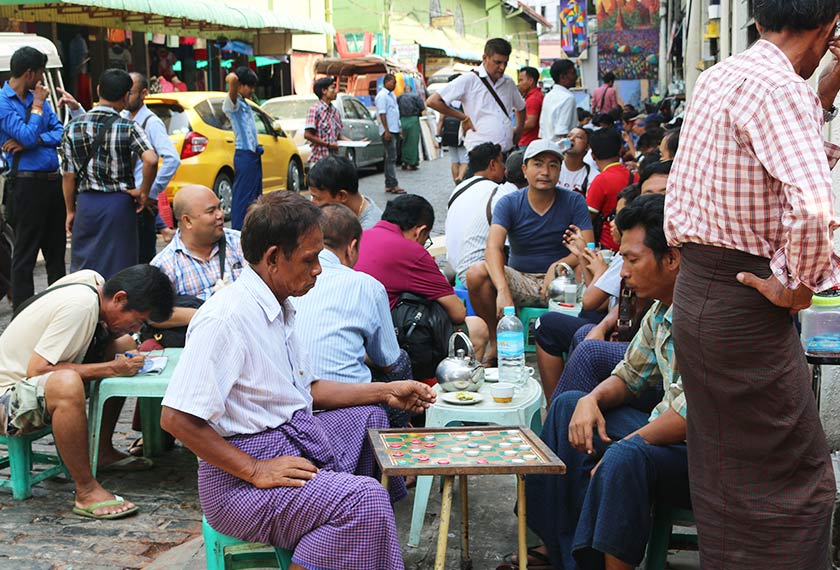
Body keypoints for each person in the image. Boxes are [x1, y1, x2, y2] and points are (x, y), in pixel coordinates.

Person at [160, 191, 435, 570]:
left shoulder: (282, 307)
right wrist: (255, 470)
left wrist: (386, 391)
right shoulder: (225, 318)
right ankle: (343, 522)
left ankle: (338, 538)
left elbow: (307, 392)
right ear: (273, 258)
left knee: (370, 418)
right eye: (309, 260)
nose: (319, 269)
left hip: (290, 442)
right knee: (364, 499)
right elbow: (176, 418)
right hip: (237, 487)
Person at [664, 2, 840, 567]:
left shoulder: (723, 75)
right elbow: (814, 211)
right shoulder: (779, 90)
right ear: (828, 27)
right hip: (743, 299)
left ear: (759, 19)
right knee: (798, 484)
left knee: (730, 475)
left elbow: (775, 143)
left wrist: (829, 79)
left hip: (700, 293)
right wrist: (797, 285)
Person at [521, 193, 686, 570]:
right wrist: (591, 399)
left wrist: (622, 446)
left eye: (631, 259)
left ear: (672, 258)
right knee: (568, 406)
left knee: (624, 456)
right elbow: (630, 375)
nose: (623, 271)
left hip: (703, 454)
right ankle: (560, 552)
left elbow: (688, 416)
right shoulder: (660, 312)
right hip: (665, 433)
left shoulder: (701, 315)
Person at [0, 265, 174, 519]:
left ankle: (102, 450)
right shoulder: (81, 305)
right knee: (67, 384)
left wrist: (115, 365)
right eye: (137, 320)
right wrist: (111, 369)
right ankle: (86, 490)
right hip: (7, 397)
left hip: (27, 385)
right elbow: (38, 371)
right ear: (119, 298)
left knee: (123, 346)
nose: (136, 329)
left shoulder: (93, 282)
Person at [466, 139, 593, 365]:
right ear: (524, 170)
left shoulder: (574, 201)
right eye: (538, 164)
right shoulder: (509, 203)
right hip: (521, 278)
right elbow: (493, 247)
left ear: (560, 170)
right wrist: (503, 291)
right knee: (476, 274)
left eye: (553, 165)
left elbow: (587, 248)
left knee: (591, 272)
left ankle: (577, 347)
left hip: (565, 280)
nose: (545, 172)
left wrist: (558, 266)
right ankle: (497, 342)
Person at [355, 194, 489, 360]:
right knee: (477, 328)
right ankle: (461, 383)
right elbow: (458, 313)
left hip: (352, 339)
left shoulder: (360, 237)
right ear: (419, 231)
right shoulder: (410, 251)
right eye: (426, 239)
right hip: (379, 346)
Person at [293, 203, 411, 394]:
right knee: (400, 361)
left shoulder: (288, 279)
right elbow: (387, 362)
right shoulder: (366, 285)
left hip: (295, 392)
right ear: (352, 247)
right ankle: (400, 423)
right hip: (341, 399)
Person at [62, 69, 157, 279]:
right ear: (126, 96)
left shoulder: (72, 126)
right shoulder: (128, 126)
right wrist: (143, 193)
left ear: (98, 90)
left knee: (85, 269)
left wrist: (70, 210)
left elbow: (68, 175)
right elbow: (151, 160)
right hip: (119, 205)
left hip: (86, 205)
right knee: (121, 270)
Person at [0, 47, 66, 310]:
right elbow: (23, 136)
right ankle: (24, 314)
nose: (41, 79)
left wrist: (37, 139)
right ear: (29, 73)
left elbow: (58, 131)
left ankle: (60, 309)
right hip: (26, 184)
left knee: (56, 253)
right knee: (25, 255)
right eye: (39, 73)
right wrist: (37, 108)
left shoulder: (37, 99)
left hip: (52, 181)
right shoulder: (4, 102)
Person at [427, 38, 526, 154]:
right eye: (498, 62)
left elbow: (521, 107)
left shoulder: (508, 82)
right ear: (485, 58)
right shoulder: (469, 79)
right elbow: (433, 101)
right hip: (480, 155)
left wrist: (519, 130)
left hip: (505, 153)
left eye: (505, 63)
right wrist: (463, 117)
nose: (502, 67)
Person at [151, 184, 245, 303]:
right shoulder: (165, 266)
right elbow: (155, 316)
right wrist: (204, 315)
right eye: (211, 211)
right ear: (188, 221)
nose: (220, 215)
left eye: (219, 207)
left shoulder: (240, 242)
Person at [124, 72, 180, 263]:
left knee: (143, 259)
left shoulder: (151, 122)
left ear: (143, 93)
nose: (126, 96)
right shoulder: (122, 117)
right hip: (123, 199)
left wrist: (150, 192)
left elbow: (172, 158)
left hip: (141, 201)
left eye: (131, 92)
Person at [455, 150, 526, 286]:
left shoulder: (501, 191)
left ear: (506, 173)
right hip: (477, 270)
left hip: (464, 263)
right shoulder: (509, 199)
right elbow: (510, 250)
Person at [445, 142, 506, 271]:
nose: (504, 167)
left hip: (453, 264)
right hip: (476, 269)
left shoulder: (458, 189)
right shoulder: (497, 191)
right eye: (501, 162)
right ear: (493, 164)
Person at [223, 67, 261, 230]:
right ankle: (239, 229)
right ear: (240, 85)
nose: (252, 90)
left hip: (253, 155)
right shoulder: (233, 104)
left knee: (255, 195)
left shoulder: (245, 104)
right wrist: (235, 77)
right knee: (243, 195)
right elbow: (231, 80)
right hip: (244, 155)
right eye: (249, 86)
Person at [586, 127, 634, 251]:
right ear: (620, 150)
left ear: (592, 155)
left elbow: (587, 218)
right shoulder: (635, 176)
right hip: (632, 244)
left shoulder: (600, 180)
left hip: (608, 246)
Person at [307, 154, 382, 229]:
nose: (313, 204)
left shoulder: (368, 230)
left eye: (318, 198)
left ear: (342, 196)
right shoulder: (344, 215)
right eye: (312, 197)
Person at [303, 76, 347, 165]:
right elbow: (307, 135)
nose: (336, 91)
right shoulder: (315, 110)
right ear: (324, 91)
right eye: (333, 88)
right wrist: (328, 144)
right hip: (319, 160)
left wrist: (356, 143)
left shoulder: (335, 111)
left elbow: (338, 136)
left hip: (334, 160)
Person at [375, 74, 403, 194]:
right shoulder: (382, 96)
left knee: (390, 158)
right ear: (386, 82)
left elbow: (395, 113)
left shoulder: (392, 96)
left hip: (394, 129)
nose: (394, 85)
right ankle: (393, 184)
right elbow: (382, 114)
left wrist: (399, 128)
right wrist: (386, 130)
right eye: (393, 82)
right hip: (388, 131)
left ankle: (389, 184)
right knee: (391, 158)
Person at [539, 59, 578, 142]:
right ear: (563, 77)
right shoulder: (568, 98)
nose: (576, 76)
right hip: (560, 149)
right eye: (573, 73)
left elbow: (542, 129)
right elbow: (562, 132)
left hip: (547, 146)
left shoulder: (549, 95)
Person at [397, 84, 425, 170]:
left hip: (402, 120)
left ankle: (404, 161)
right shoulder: (415, 96)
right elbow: (422, 107)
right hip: (413, 119)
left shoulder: (399, 97)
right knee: (413, 142)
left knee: (404, 142)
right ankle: (412, 162)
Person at [558, 127, 592, 196]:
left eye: (578, 137)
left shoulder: (592, 176)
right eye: (569, 136)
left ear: (587, 147)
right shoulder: (554, 166)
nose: (571, 139)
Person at [517, 66, 544, 149]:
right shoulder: (536, 96)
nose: (519, 84)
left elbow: (530, 123)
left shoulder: (533, 99)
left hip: (529, 141)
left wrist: (514, 129)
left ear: (531, 81)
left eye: (521, 80)